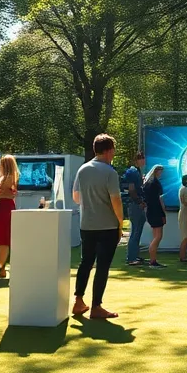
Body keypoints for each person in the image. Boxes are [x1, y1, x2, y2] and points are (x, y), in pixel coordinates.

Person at [72, 133, 123, 319]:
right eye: (113, 150)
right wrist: (120, 223)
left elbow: (76, 197)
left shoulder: (83, 170)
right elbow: (116, 200)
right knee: (102, 266)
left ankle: (78, 301)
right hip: (107, 226)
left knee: (86, 262)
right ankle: (96, 306)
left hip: (86, 225)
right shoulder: (110, 172)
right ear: (109, 151)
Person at [123, 152, 148, 266]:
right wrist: (140, 202)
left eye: (143, 158)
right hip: (135, 204)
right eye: (140, 158)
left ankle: (134, 255)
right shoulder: (132, 172)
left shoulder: (137, 172)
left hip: (137, 204)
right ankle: (131, 258)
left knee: (138, 231)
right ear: (135, 160)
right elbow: (132, 190)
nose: (143, 160)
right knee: (135, 231)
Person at [141, 165, 168, 268]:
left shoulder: (148, 183)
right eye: (160, 172)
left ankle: (153, 260)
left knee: (156, 236)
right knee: (158, 236)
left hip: (150, 211)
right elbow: (158, 200)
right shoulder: (155, 183)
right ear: (156, 171)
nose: (161, 174)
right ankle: (152, 261)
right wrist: (163, 213)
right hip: (155, 211)